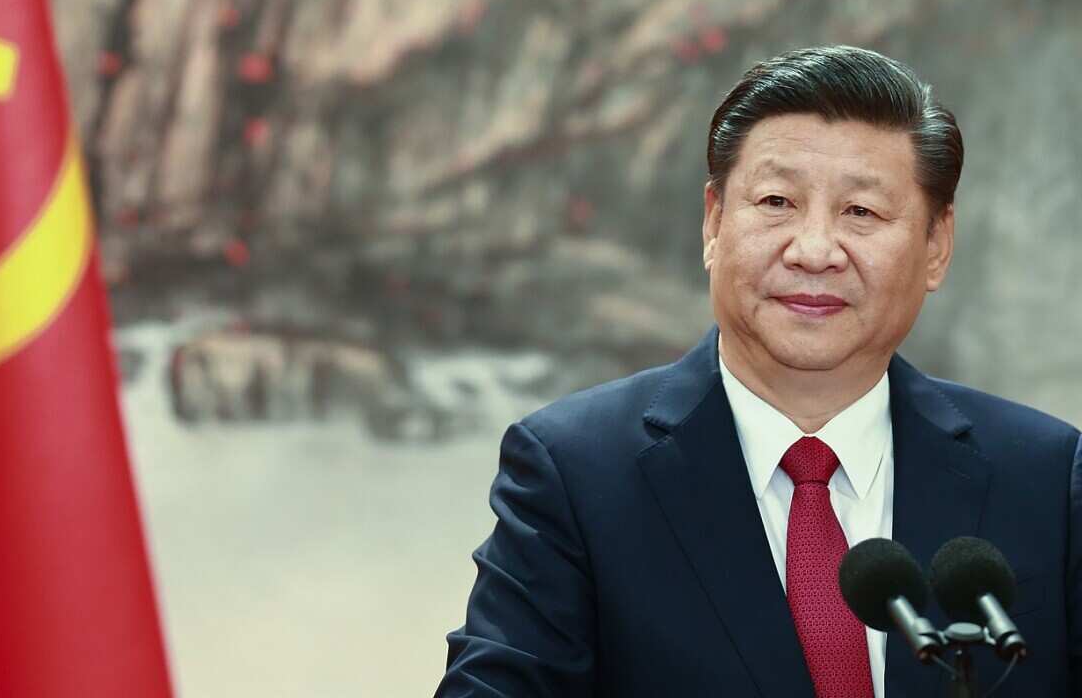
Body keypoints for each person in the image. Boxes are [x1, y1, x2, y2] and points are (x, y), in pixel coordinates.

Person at [434, 45, 1082, 697]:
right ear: (714, 222)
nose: (815, 250)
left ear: (936, 245)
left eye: (861, 212)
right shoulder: (574, 475)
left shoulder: (1046, 477)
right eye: (776, 201)